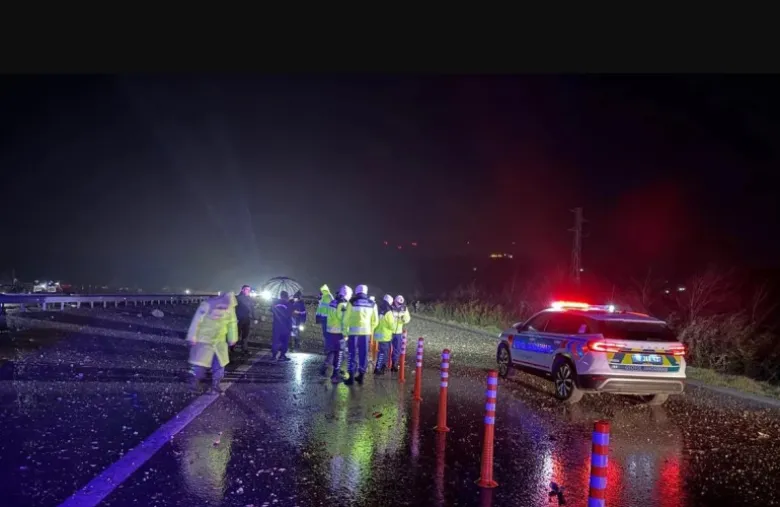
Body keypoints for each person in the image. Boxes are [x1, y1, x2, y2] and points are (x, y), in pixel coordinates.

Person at [186, 292, 239, 394]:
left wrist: (232, 338)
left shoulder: (230, 309)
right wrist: (192, 336)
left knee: (219, 365)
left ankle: (216, 385)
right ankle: (194, 385)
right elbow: (197, 321)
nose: (225, 308)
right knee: (200, 365)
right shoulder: (207, 305)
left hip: (220, 342)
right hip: (204, 340)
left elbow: (232, 323)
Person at [343, 284, 378, 385]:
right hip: (366, 333)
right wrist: (370, 329)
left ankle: (351, 377)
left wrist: (345, 332)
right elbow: (375, 321)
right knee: (364, 354)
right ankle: (361, 376)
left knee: (352, 354)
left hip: (353, 333)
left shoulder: (352, 302)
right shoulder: (372, 303)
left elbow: (345, 319)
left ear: (357, 291)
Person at [322, 285, 352, 382]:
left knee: (332, 351)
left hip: (330, 331)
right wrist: (346, 333)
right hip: (339, 333)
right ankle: (335, 376)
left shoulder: (333, 302)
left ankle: (324, 368)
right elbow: (343, 319)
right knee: (339, 354)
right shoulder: (342, 304)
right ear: (347, 294)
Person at [372, 294, 394, 375]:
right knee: (382, 353)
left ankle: (381, 367)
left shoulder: (379, 309)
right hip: (385, 335)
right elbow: (391, 325)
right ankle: (378, 369)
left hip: (378, 334)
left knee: (382, 352)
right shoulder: (388, 311)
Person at [390, 295, 412, 372]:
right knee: (386, 349)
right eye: (398, 303)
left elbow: (408, 318)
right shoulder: (390, 307)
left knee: (396, 349)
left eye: (400, 304)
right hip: (389, 331)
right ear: (395, 301)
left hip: (398, 332)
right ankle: (383, 364)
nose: (399, 305)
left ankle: (394, 365)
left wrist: (404, 320)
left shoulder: (404, 308)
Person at [271, 291, 294, 361]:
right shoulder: (289, 304)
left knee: (275, 341)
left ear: (280, 296)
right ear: (287, 296)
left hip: (276, 325)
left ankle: (274, 356)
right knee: (284, 341)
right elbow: (290, 315)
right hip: (286, 326)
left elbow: (271, 310)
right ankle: (282, 355)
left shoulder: (275, 303)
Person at [235, 284, 258, 354]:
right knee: (236, 334)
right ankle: (232, 348)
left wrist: (255, 318)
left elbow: (252, 308)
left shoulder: (249, 298)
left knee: (245, 334)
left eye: (249, 290)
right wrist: (236, 318)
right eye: (247, 289)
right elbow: (234, 309)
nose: (248, 291)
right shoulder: (238, 298)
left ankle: (244, 349)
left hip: (247, 319)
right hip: (239, 319)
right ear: (243, 290)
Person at [315, 284, 334, 350]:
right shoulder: (325, 296)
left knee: (327, 334)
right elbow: (321, 307)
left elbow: (329, 307)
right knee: (325, 334)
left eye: (321, 291)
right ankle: (327, 347)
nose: (321, 292)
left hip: (327, 318)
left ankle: (328, 348)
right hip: (324, 317)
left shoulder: (328, 296)